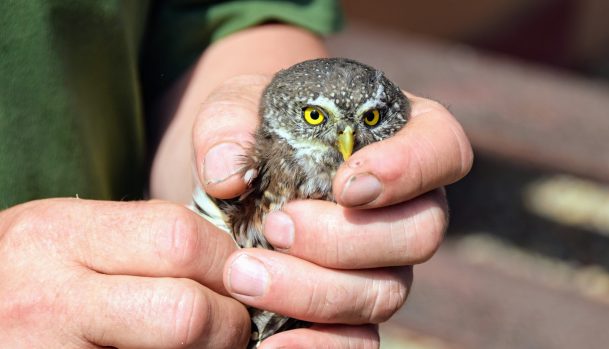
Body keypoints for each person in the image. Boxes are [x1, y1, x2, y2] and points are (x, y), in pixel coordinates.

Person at [0, 1, 473, 348]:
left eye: (368, 121)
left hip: (136, 306)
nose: (345, 141)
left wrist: (228, 138)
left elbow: (225, 21)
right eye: (315, 118)